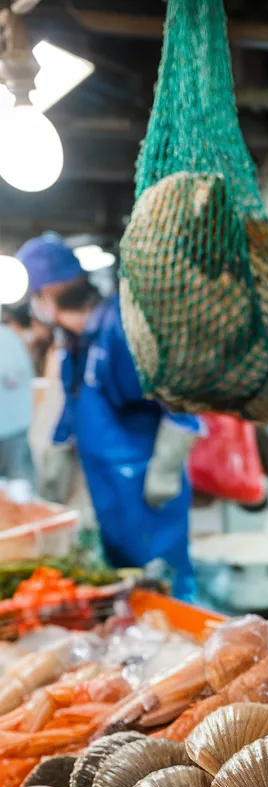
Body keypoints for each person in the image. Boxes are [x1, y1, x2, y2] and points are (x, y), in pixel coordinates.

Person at [15, 235, 199, 599]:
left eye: (35, 295)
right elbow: (70, 409)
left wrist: (166, 465)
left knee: (164, 585)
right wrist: (55, 462)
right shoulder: (72, 341)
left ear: (49, 293)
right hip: (107, 488)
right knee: (126, 589)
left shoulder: (123, 329)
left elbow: (181, 398)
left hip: (146, 486)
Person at [0, 305, 35, 487]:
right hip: (11, 427)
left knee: (19, 487)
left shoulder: (4, 338)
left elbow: (12, 377)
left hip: (10, 429)